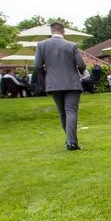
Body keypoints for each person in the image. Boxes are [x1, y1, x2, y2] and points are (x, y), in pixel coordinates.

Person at [34, 21, 86, 151]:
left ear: (51, 31)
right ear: (63, 31)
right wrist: (80, 72)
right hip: (72, 82)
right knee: (71, 111)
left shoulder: (41, 45)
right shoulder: (72, 45)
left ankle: (69, 139)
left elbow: (37, 66)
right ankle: (72, 142)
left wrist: (47, 75)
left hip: (53, 83)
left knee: (62, 112)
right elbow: (81, 64)